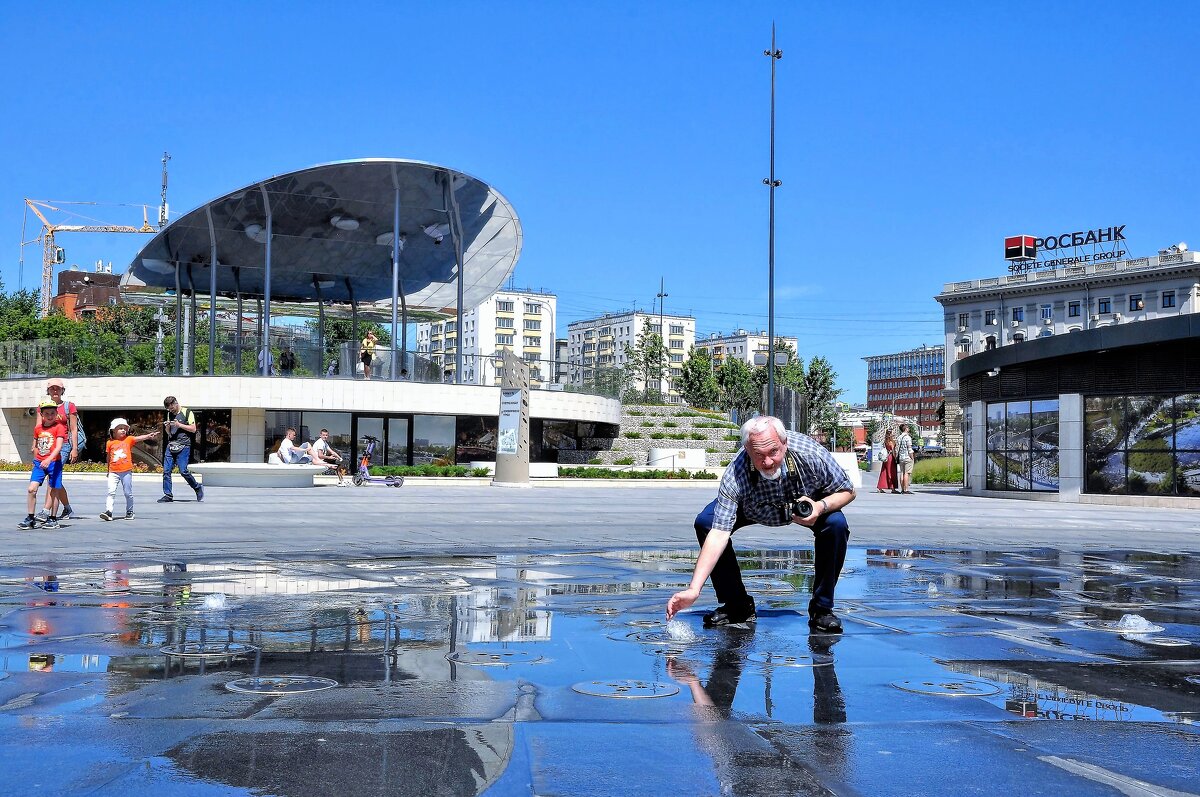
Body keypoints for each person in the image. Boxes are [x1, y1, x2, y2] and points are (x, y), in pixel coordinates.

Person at [666, 415, 856, 634]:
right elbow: (718, 534)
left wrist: (820, 507)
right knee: (706, 522)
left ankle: (822, 609)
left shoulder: (810, 454)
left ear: (785, 444)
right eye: (758, 455)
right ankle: (737, 605)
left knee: (836, 523)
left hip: (808, 505)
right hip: (751, 508)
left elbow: (848, 490)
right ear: (747, 449)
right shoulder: (735, 474)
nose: (767, 462)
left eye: (773, 452)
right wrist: (694, 589)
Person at [19, 400, 67, 530]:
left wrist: (49, 459)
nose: (50, 416)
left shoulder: (59, 427)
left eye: (52, 413)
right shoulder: (38, 428)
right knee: (31, 489)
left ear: (56, 413)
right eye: (47, 413)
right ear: (42, 415)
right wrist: (36, 455)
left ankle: (53, 519)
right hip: (39, 463)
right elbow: (35, 442)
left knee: (54, 490)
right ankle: (30, 518)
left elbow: (59, 447)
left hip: (54, 463)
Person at [100, 418, 160, 521]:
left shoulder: (128, 439)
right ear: (113, 430)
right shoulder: (110, 443)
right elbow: (109, 456)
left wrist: (148, 436)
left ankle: (130, 511)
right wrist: (108, 470)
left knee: (128, 493)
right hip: (113, 471)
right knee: (111, 492)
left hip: (126, 471)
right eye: (120, 428)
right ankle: (109, 512)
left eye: (124, 428)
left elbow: (138, 438)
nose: (123, 430)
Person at [43, 378, 81, 522]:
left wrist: (75, 448)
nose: (55, 391)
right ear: (48, 391)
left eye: (57, 388)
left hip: (64, 445)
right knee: (54, 477)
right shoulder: (43, 406)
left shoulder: (69, 406)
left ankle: (45, 511)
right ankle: (67, 508)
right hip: (48, 446)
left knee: (52, 476)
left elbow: (73, 428)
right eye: (52, 388)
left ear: (62, 390)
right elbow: (39, 427)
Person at [160, 396, 204, 503]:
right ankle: (168, 495)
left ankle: (197, 487)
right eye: (169, 410)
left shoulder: (187, 412)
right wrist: (167, 427)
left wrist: (179, 425)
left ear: (175, 403)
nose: (171, 411)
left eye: (172, 409)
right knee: (166, 471)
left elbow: (193, 429)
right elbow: (169, 433)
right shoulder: (169, 414)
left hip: (184, 445)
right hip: (171, 445)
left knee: (183, 471)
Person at [876, 428, 898, 493]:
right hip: (891, 457)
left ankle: (880, 487)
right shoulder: (891, 442)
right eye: (893, 433)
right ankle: (892, 488)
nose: (894, 434)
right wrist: (896, 458)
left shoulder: (886, 441)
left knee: (884, 472)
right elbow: (893, 451)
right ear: (890, 434)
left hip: (886, 458)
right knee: (891, 472)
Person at [896, 423, 915, 495]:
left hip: (901, 457)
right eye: (908, 428)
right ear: (906, 429)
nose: (909, 429)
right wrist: (912, 458)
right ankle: (906, 489)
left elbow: (897, 448)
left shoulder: (899, 437)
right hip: (907, 457)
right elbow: (909, 449)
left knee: (902, 472)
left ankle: (902, 489)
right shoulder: (908, 437)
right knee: (906, 473)